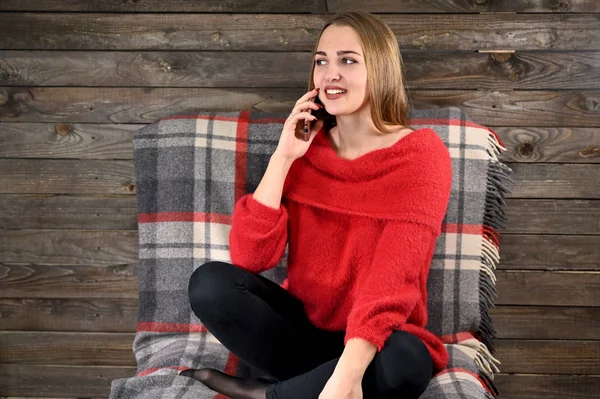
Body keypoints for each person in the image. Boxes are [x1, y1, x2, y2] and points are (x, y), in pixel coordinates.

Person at [180, 10, 452, 399]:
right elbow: (251, 257)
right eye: (321, 61)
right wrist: (284, 157)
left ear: (381, 69)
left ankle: (265, 395)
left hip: (376, 342)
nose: (330, 74)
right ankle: (307, 386)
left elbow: (393, 280)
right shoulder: (306, 149)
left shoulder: (421, 155)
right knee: (209, 284)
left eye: (348, 60)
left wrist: (347, 376)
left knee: (405, 362)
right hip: (305, 334)